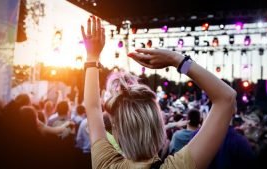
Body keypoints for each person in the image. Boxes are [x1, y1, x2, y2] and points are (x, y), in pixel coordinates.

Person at [82, 16, 236, 169]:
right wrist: (176, 59)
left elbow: (93, 108)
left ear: (118, 134)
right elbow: (226, 98)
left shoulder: (105, 165)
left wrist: (92, 56)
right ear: (159, 127)